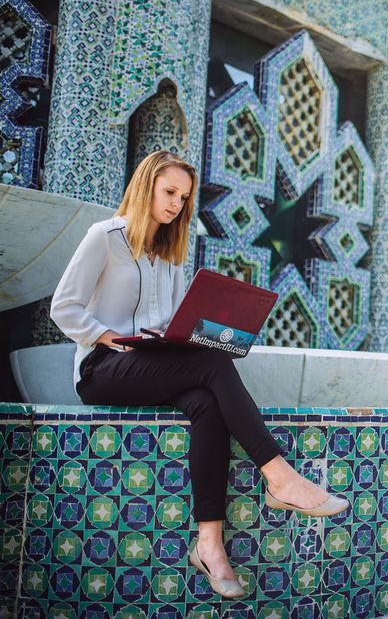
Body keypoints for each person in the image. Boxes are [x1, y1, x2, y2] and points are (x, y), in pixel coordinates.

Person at [50, 150, 349, 599]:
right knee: (213, 364)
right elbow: (64, 307)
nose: (176, 203)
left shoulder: (171, 255)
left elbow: (170, 320)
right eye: (169, 192)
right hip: (102, 367)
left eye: (183, 197)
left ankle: (209, 543)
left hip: (150, 364)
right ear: (146, 185)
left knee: (207, 402)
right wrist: (107, 335)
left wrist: (185, 333)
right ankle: (280, 476)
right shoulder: (105, 237)